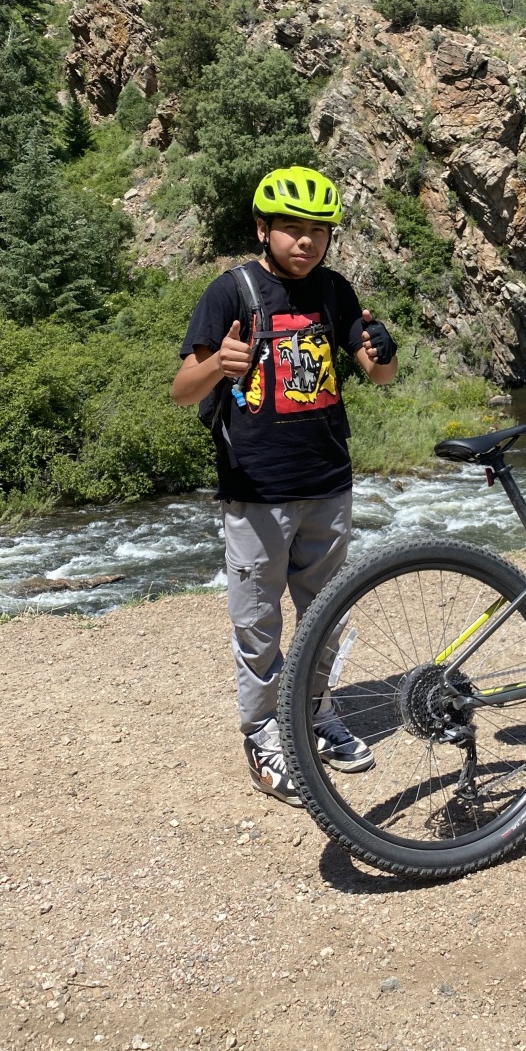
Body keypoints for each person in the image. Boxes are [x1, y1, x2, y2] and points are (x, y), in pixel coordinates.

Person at [171, 165, 398, 805]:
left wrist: (381, 349)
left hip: (328, 481)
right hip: (256, 489)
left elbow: (377, 375)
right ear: (263, 229)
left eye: (318, 232)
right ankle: (263, 733)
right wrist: (220, 363)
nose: (306, 242)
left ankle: (317, 714)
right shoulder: (230, 292)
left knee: (326, 613)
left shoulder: (335, 291)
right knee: (258, 624)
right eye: (292, 230)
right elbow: (181, 389)